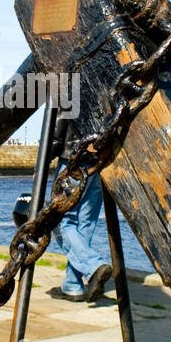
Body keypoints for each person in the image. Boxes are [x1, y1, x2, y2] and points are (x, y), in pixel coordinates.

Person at [48, 117, 112, 303]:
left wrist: (42, 164)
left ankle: (93, 266)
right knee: (86, 223)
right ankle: (72, 285)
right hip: (99, 162)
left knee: (60, 219)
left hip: (73, 161)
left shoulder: (69, 87)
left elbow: (58, 126)